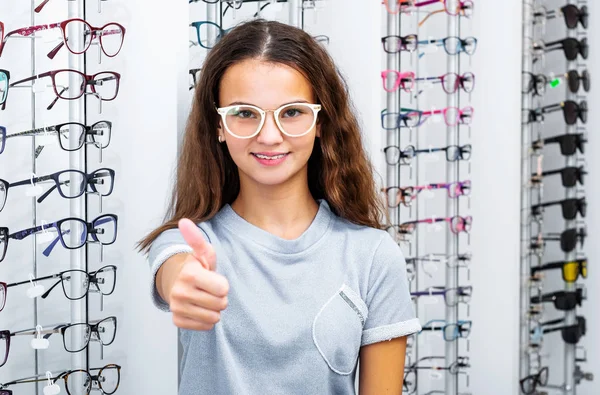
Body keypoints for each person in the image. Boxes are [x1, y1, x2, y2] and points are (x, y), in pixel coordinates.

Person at [138, 18, 420, 395]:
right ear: (217, 126)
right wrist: (185, 285)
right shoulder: (188, 244)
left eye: (292, 112)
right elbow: (175, 267)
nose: (269, 136)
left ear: (321, 122)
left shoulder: (372, 256)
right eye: (244, 113)